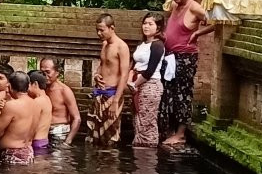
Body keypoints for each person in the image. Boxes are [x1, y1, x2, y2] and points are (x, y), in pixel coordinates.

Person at [160, 0, 214, 146]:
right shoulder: (175, 6)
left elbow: (217, 22)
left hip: (185, 57)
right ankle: (169, 129)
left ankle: (180, 133)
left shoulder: (195, 8)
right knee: (168, 92)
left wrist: (198, 33)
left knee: (182, 94)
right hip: (170, 56)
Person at [87, 14, 130, 146]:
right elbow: (102, 65)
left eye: (102, 30)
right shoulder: (104, 44)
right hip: (100, 93)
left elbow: (124, 75)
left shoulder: (122, 47)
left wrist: (115, 101)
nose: (99, 33)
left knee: (111, 137)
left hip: (112, 95)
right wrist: (96, 74)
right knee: (94, 137)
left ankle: (111, 165)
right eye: (97, 30)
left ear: (112, 28)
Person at [129, 13, 168, 148]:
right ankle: (139, 147)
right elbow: (133, 64)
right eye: (145, 23)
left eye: (150, 24)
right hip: (136, 83)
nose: (146, 26)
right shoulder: (141, 44)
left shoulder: (158, 45)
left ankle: (148, 151)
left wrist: (135, 84)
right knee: (138, 118)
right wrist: (130, 81)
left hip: (150, 84)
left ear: (158, 28)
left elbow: (150, 70)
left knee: (147, 120)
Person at [0, 71, 36, 165]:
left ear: (10, 86)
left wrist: (3, 111)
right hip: (28, 151)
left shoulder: (11, 106)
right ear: (28, 86)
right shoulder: (36, 104)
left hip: (13, 153)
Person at [39, 57, 81, 144]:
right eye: (42, 72)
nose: (45, 76)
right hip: (43, 132)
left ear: (57, 72)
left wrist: (68, 141)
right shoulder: (40, 89)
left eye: (48, 72)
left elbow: (77, 118)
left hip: (60, 132)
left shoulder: (64, 90)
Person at [27, 70, 53, 153]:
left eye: (27, 85)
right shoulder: (47, 99)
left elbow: (29, 124)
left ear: (35, 84)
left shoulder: (37, 101)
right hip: (44, 141)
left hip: (36, 142)